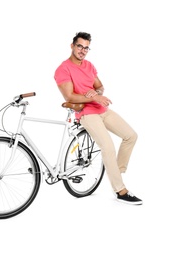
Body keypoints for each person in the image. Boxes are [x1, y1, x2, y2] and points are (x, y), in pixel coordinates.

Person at [54, 32, 142, 205]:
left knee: (131, 136)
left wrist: (97, 93)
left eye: (86, 48)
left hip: (102, 108)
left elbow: (100, 87)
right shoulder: (63, 69)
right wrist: (93, 97)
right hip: (86, 113)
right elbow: (69, 97)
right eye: (79, 46)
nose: (82, 51)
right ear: (72, 46)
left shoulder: (89, 65)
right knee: (108, 147)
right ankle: (120, 190)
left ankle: (116, 171)